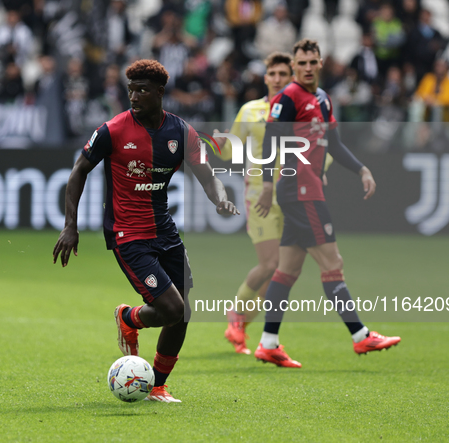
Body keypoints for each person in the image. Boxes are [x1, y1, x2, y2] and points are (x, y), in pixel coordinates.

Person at [53, 59, 239, 401]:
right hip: (128, 234)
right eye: (130, 90)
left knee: (184, 312)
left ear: (160, 93)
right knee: (171, 308)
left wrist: (220, 199)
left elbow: (207, 175)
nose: (134, 97)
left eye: (141, 90)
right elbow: (79, 170)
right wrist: (70, 226)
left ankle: (157, 386)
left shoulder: (181, 132)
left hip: (165, 231)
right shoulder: (113, 130)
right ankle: (129, 317)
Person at [254, 39, 401, 367]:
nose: (307, 68)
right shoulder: (288, 97)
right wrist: (266, 184)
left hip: (308, 191)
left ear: (321, 64)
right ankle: (361, 336)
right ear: (294, 65)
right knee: (332, 264)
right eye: (301, 63)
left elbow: (333, 143)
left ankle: (268, 343)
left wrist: (361, 168)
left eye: (312, 62)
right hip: (300, 192)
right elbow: (269, 142)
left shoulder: (323, 99)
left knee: (287, 270)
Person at [220, 52, 333, 355]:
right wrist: (216, 144)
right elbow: (230, 150)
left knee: (282, 275)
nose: (278, 79)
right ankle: (236, 315)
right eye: (273, 74)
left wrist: (320, 171)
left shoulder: (302, 108)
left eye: (284, 74)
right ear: (266, 77)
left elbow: (325, 147)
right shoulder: (250, 110)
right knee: (270, 264)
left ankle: (241, 325)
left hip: (296, 196)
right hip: (261, 195)